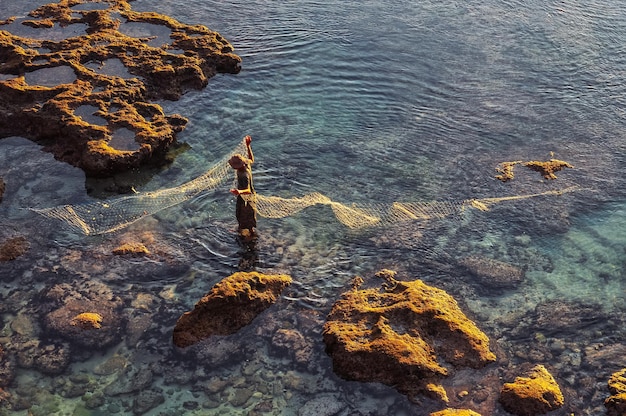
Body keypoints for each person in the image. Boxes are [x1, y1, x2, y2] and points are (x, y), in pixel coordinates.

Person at [228, 135, 256, 239]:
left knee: (247, 215)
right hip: (242, 195)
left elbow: (248, 190)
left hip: (247, 198)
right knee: (240, 214)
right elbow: (251, 159)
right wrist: (248, 146)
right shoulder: (246, 164)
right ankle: (241, 229)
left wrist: (239, 192)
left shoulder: (243, 175)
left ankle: (251, 234)